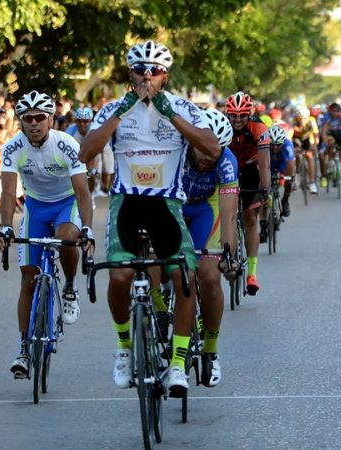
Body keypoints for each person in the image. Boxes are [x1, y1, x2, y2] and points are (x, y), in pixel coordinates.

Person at [79, 40, 221, 397]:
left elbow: (212, 147)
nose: (147, 76)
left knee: (183, 275)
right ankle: (125, 348)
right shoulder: (114, 107)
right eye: (140, 70)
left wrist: (168, 113)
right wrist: (120, 112)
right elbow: (84, 153)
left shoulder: (182, 107)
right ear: (130, 74)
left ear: (165, 76)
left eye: (154, 71)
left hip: (167, 204)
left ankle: (176, 364)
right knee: (121, 275)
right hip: (127, 202)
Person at [0, 90, 94, 379]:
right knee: (28, 278)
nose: (34, 123)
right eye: (28, 119)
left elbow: (83, 192)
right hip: (35, 208)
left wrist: (86, 227)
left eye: (40, 118)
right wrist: (6, 226)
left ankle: (71, 286)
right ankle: (24, 348)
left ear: (50, 119)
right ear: (21, 122)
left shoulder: (67, 145)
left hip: (66, 204)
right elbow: (8, 191)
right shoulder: (13, 148)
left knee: (65, 237)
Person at [180, 108, 238, 387]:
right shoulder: (175, 152)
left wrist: (228, 255)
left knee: (210, 276)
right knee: (163, 265)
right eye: (202, 148)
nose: (207, 156)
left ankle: (211, 349)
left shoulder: (226, 162)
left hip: (206, 208)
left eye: (214, 151)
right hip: (174, 207)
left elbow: (228, 214)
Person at [224, 91, 270, 294]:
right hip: (229, 171)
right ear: (228, 114)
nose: (237, 120)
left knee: (251, 218)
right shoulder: (222, 126)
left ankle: (252, 273)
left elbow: (264, 163)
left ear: (249, 114)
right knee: (229, 216)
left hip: (251, 169)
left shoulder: (259, 127)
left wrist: (265, 189)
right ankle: (230, 259)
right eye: (233, 115)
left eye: (242, 115)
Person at [268, 125, 295, 217]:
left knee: (289, 182)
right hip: (270, 161)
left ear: (283, 142)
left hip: (282, 161)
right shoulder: (264, 144)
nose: (275, 147)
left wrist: (289, 178)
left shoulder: (288, 145)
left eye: (278, 144)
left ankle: (285, 200)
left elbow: (291, 165)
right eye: (272, 144)